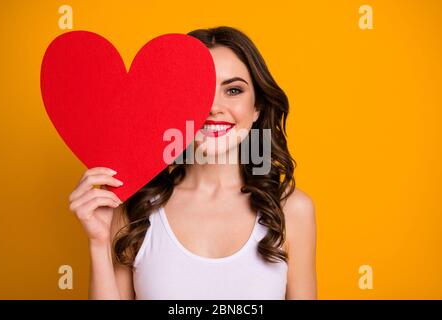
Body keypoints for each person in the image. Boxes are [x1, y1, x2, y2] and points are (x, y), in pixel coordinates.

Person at [68, 26, 316, 300]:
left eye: (233, 90)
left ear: (257, 107)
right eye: (197, 90)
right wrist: (98, 242)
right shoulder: (132, 209)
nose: (213, 107)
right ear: (172, 105)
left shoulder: (292, 210)